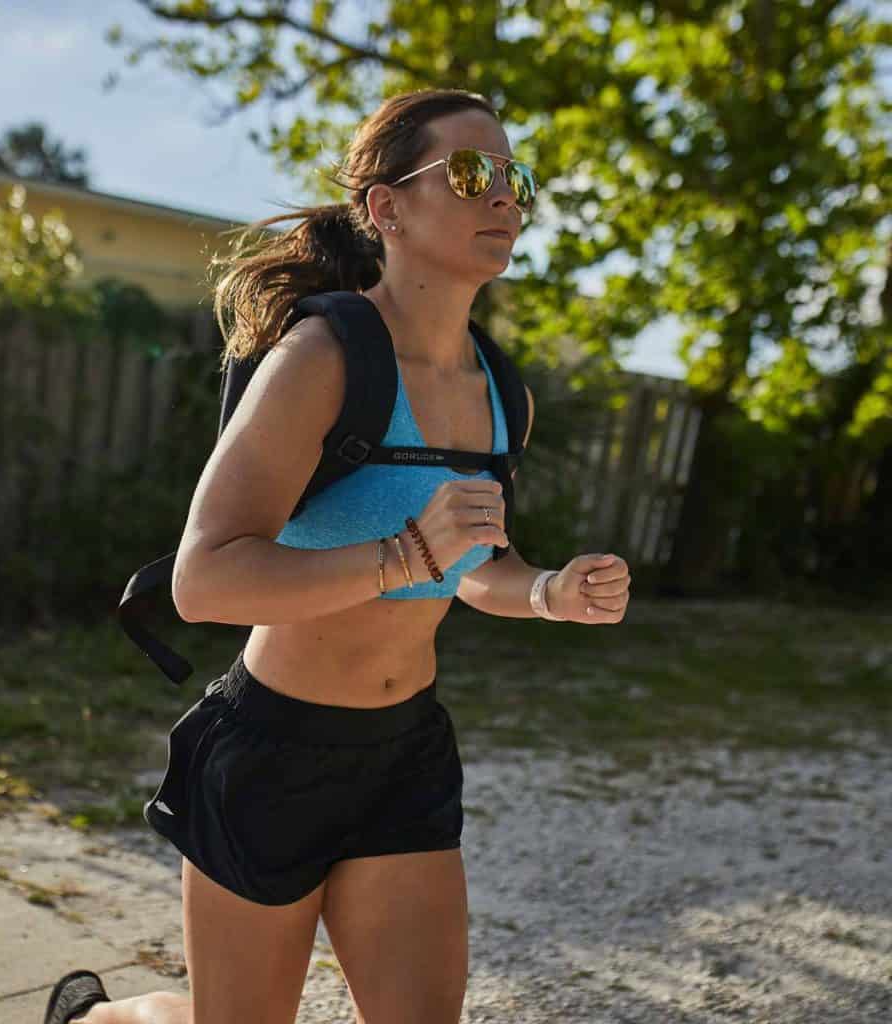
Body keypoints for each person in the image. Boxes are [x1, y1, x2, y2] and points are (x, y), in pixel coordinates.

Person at [44, 86, 631, 1024]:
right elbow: (205, 580)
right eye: (473, 173)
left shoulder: (500, 391)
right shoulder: (323, 356)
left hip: (403, 756)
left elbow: (475, 564)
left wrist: (551, 591)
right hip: (272, 751)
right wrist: (401, 553)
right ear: (386, 207)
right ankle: (110, 1019)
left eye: (515, 178)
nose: (506, 199)